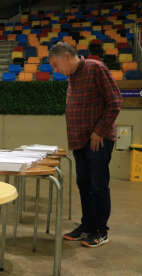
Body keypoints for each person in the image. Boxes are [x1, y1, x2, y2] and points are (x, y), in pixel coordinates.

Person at [48, 42, 123, 248]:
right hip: (79, 141)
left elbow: (115, 102)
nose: (56, 70)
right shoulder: (72, 76)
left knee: (98, 186)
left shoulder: (95, 68)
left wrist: (99, 131)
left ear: (66, 56)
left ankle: (101, 231)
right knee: (84, 186)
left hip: (97, 140)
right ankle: (87, 226)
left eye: (56, 65)